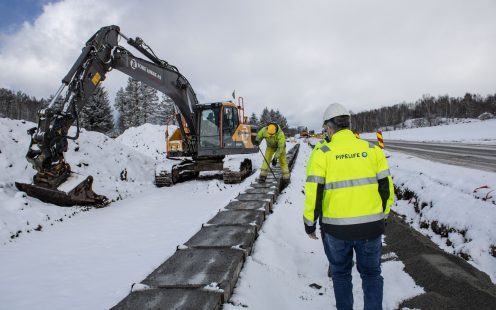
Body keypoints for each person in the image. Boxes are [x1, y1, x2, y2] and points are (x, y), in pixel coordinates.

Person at [303, 103, 394, 310]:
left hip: (336, 230)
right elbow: (387, 189)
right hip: (371, 228)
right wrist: (383, 215)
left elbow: (314, 192)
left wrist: (310, 223)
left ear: (329, 128)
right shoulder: (372, 150)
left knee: (341, 274)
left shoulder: (323, 152)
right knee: (372, 274)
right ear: (348, 125)